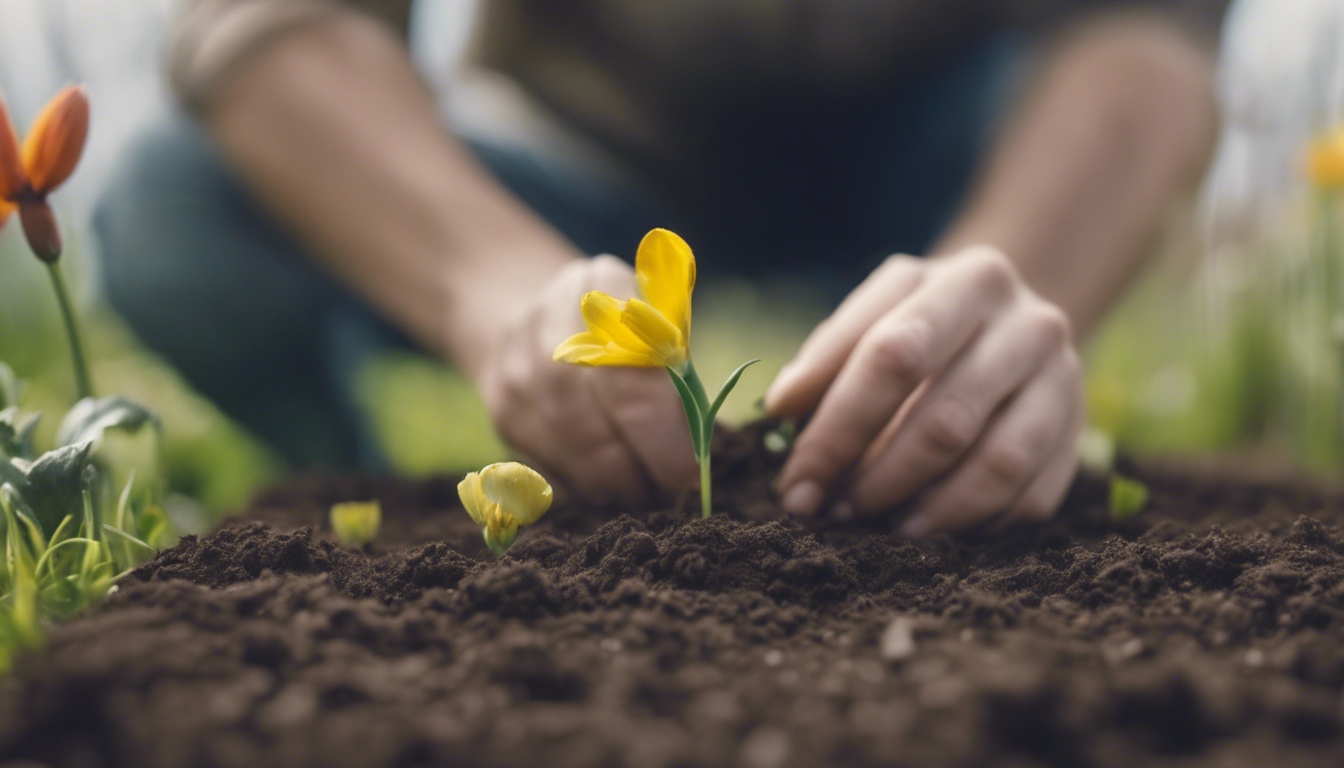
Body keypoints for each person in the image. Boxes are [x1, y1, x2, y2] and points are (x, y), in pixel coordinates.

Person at [96, 0, 1225, 535]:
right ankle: (360, 507)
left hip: (947, 162)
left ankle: (962, 371)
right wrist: (494, 286)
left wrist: (1009, 273)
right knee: (175, 193)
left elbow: (1149, 39)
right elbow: (260, 23)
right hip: (598, 165)